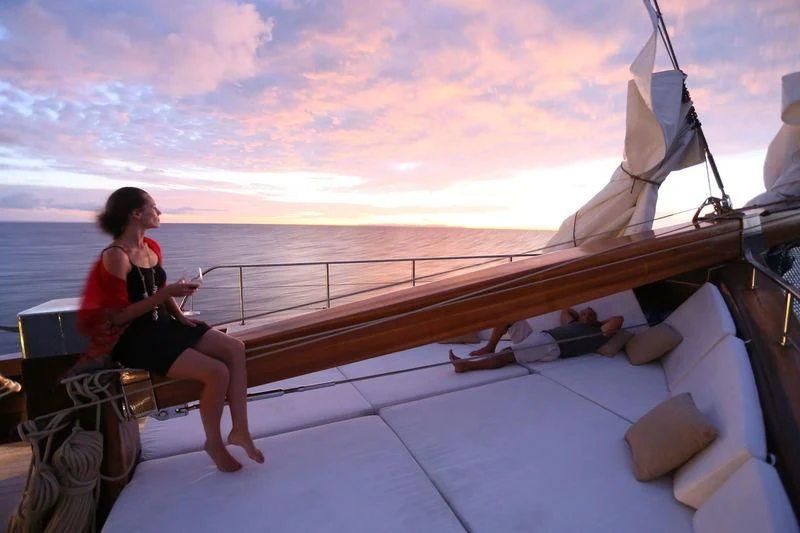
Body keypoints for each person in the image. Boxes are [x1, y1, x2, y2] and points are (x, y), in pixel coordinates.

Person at [78, 187, 263, 472]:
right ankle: (213, 443)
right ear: (136, 214)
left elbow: (161, 289)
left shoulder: (151, 247)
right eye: (154, 206)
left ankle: (241, 430)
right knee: (217, 372)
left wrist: (180, 316)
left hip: (164, 326)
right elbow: (117, 317)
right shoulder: (116, 256)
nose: (159, 211)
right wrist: (166, 296)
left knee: (235, 349)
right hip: (137, 338)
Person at [448, 307, 623, 373]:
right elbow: (566, 311)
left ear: (596, 319)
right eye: (584, 312)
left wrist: (596, 322)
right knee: (509, 317)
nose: (585, 315)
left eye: (590, 314)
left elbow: (618, 318)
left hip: (551, 346)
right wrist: (579, 317)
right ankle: (489, 347)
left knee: (509, 353)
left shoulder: (598, 332)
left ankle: (466, 366)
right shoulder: (573, 323)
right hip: (539, 336)